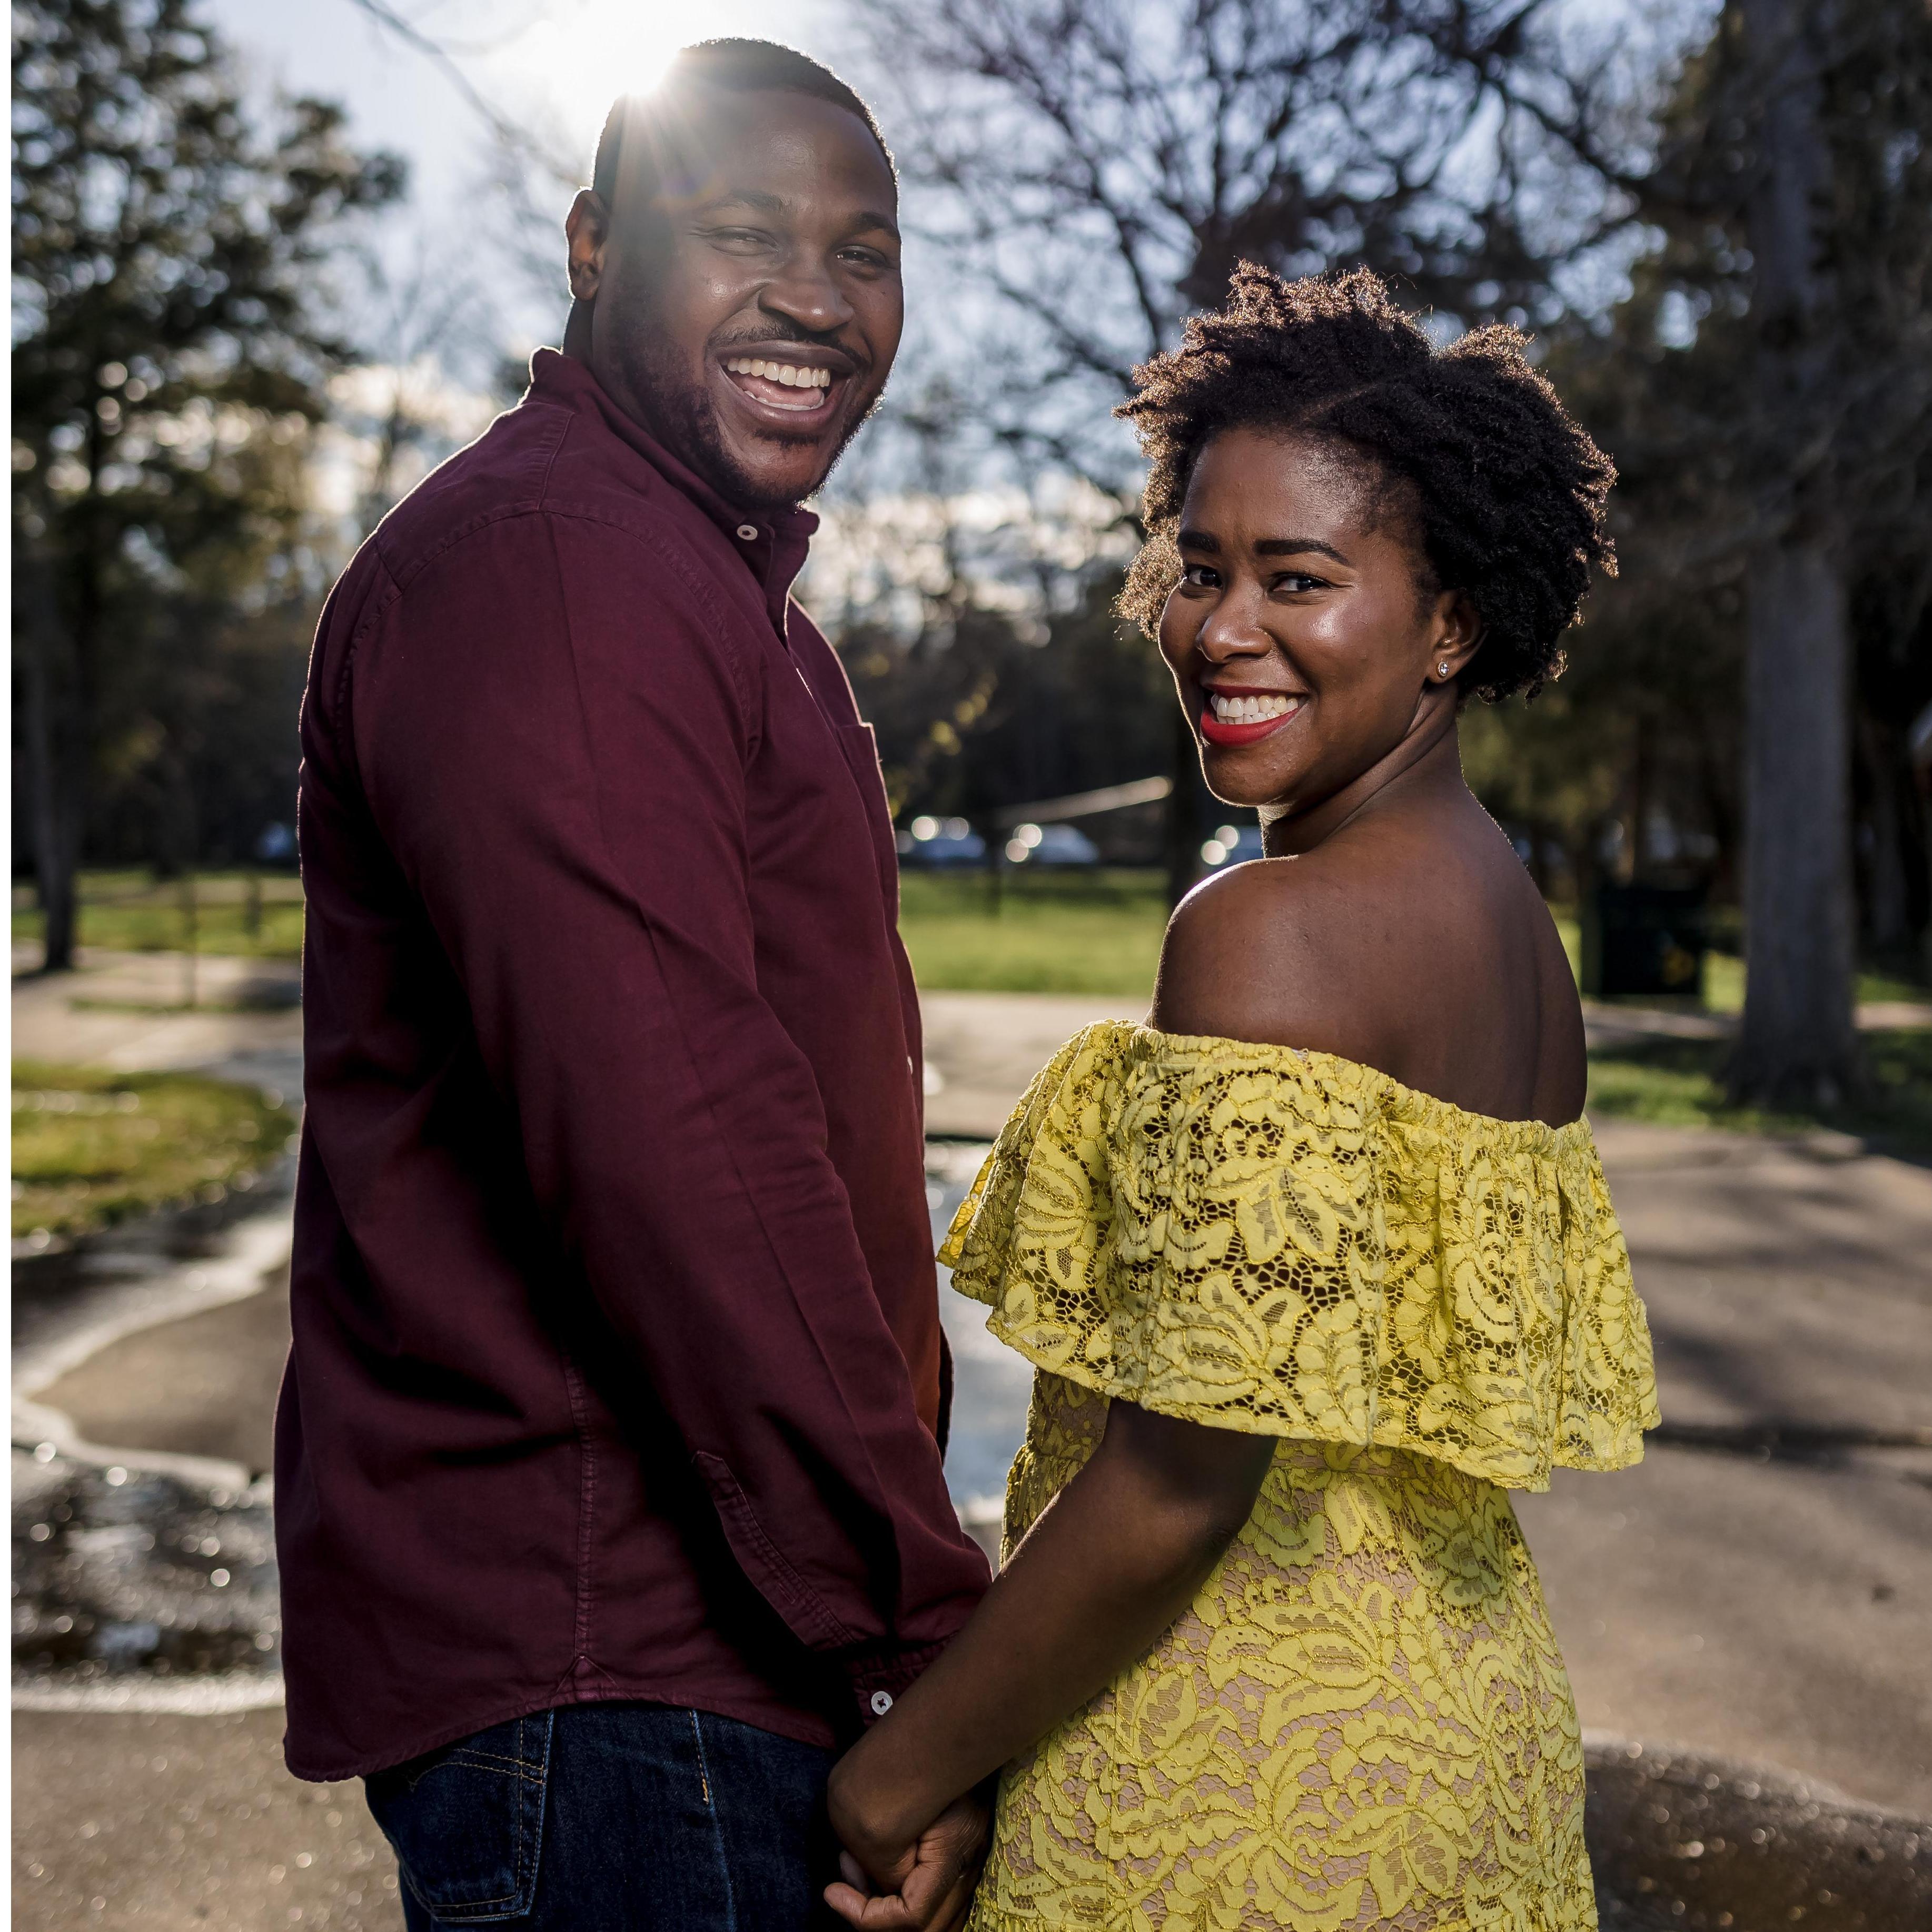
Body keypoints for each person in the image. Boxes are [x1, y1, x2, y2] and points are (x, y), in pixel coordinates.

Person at [823, 265, 1661, 1932]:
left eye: (1299, 577)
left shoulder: (1270, 937)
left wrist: (896, 1775)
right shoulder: (1514, 925)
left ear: (1450, 621)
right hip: (1467, 1759)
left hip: (1237, 1786)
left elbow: (1172, 1490)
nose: (1220, 629)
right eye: (1198, 568)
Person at [279, 40, 992, 1931]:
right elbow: (682, 1153)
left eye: (868, 250)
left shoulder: (699, 591)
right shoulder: (558, 569)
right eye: (743, 233)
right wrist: (923, 1641)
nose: (818, 302)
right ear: (596, 245)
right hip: (624, 1671)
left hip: (707, 1663)